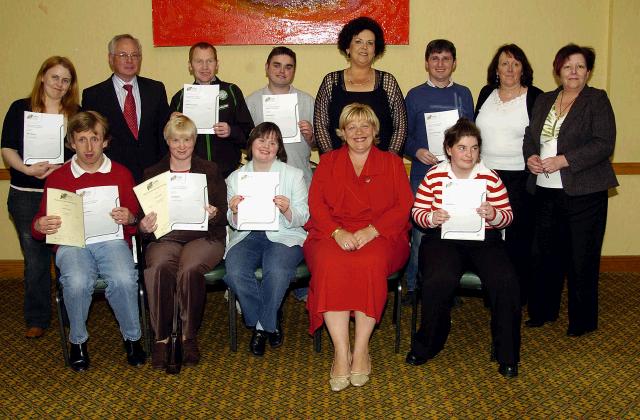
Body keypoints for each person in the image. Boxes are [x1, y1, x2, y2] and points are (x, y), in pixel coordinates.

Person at [305, 103, 413, 391]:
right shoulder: (327, 162)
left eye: (365, 125)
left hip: (381, 235)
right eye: (351, 126)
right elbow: (316, 204)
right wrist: (337, 232)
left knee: (369, 264)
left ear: (375, 130)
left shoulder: (391, 162)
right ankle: (341, 352)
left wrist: (373, 230)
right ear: (341, 132)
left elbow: (404, 205)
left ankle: (361, 348)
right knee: (330, 264)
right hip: (331, 233)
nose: (359, 132)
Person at [405, 118, 521, 378]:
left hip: (485, 239)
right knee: (438, 279)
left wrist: (493, 214)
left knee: (506, 281)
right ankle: (429, 344)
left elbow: (508, 217)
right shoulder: (434, 176)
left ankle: (507, 353)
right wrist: (431, 217)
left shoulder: (490, 178)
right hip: (443, 238)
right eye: (462, 147)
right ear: (448, 149)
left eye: (474, 148)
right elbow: (417, 213)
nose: (469, 154)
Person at [31, 111, 146, 372]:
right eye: (81, 140)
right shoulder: (58, 177)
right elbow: (39, 227)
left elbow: (136, 221)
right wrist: (40, 225)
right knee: (78, 280)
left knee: (124, 278)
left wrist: (129, 218)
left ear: (105, 141)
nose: (89, 147)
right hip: (72, 243)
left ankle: (132, 338)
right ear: (71, 142)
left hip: (111, 241)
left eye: (95, 139)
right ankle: (78, 342)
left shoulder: (121, 173)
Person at [523, 44, 617, 337]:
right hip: (545, 190)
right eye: (567, 66)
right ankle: (542, 312)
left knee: (581, 258)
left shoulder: (596, 100)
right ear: (558, 71)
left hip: (584, 191)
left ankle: (582, 320)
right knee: (543, 254)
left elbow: (604, 143)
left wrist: (564, 160)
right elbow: (530, 136)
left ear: (588, 71)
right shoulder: (545, 100)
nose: (573, 72)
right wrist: (531, 157)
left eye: (579, 66)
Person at [139, 115, 227, 370]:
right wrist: (144, 227)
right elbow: (143, 225)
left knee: (188, 270)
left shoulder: (210, 170)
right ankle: (162, 338)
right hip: (165, 237)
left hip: (204, 237)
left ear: (194, 140)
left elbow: (223, 214)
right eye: (175, 140)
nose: (181, 145)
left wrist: (214, 213)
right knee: (158, 268)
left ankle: (188, 336)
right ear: (167, 141)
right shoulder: (152, 174)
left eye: (186, 139)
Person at [1, 56, 80, 339]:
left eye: (66, 80)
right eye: (55, 77)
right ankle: (37, 318)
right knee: (35, 260)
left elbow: (84, 150)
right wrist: (26, 168)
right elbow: (7, 147)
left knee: (68, 256)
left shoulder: (76, 113)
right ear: (43, 77)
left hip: (63, 194)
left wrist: (62, 168)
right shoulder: (20, 109)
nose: (60, 84)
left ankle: (73, 313)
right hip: (26, 194)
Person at [224, 122, 308, 357]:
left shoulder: (293, 175)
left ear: (279, 148)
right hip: (248, 235)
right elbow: (232, 221)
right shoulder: (236, 177)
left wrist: (288, 209)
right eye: (262, 140)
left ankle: (261, 328)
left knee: (277, 270)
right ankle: (268, 317)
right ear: (251, 144)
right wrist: (234, 210)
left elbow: (304, 215)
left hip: (285, 234)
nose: (267, 146)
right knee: (235, 272)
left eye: (273, 142)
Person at [404, 39, 475, 302]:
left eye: (446, 59)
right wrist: (416, 151)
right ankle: (413, 285)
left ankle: (448, 285)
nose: (440, 64)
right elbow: (405, 137)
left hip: (457, 176)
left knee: (451, 229)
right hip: (423, 173)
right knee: (421, 232)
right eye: (435, 58)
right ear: (426, 63)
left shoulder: (465, 93)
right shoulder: (414, 95)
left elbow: (470, 134)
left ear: (454, 63)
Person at [475, 44, 543, 305]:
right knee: (489, 238)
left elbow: (541, 139)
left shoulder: (535, 96)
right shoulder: (485, 94)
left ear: (523, 68)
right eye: (505, 63)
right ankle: (493, 292)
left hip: (520, 179)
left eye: (516, 63)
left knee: (518, 240)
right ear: (496, 69)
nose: (510, 69)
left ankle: (517, 295)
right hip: (485, 177)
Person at [82, 34, 170, 182]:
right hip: (111, 176)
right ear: (111, 59)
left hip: (153, 177)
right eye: (123, 55)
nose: (130, 60)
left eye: (135, 55)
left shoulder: (156, 90)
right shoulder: (93, 96)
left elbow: (164, 135)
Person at [314, 16, 407, 155]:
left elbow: (401, 127)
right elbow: (320, 125)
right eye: (358, 42)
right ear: (347, 48)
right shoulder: (331, 81)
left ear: (375, 50)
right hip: (338, 166)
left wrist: (389, 161)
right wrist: (331, 161)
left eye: (370, 43)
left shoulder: (388, 82)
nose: (364, 47)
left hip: (382, 166)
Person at [169, 42, 254, 178]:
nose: (205, 67)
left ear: (217, 64)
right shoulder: (180, 97)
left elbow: (249, 136)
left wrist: (231, 131)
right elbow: (168, 141)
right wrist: (172, 125)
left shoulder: (232, 91)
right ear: (190, 65)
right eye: (199, 61)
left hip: (228, 173)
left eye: (209, 61)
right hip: (193, 174)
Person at [246, 46, 315, 187]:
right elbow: (244, 144)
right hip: (261, 180)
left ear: (294, 71)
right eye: (277, 65)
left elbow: (317, 144)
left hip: (299, 178)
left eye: (288, 67)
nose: (282, 71)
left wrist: (311, 137)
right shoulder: (251, 102)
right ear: (267, 67)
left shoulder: (308, 101)